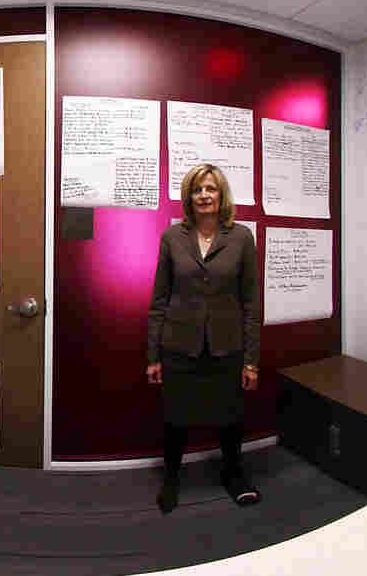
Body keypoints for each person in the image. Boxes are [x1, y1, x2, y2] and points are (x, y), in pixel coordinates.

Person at [146, 163, 262, 514]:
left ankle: (234, 475)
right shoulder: (172, 237)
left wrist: (251, 360)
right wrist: (152, 355)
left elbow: (252, 303)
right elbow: (159, 299)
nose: (204, 195)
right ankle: (170, 478)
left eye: (211, 188)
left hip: (227, 346)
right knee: (175, 418)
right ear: (189, 197)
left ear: (221, 194)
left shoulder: (241, 237)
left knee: (231, 417)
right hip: (179, 344)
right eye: (197, 190)